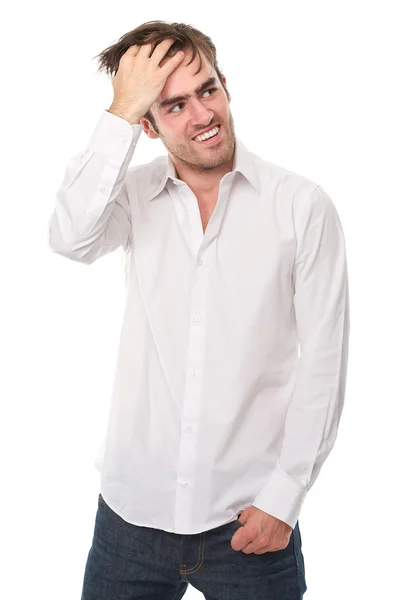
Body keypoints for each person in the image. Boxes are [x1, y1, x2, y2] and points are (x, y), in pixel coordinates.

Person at [48, 20, 350, 600]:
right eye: (173, 105)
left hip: (250, 524)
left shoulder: (301, 207)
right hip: (130, 521)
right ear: (149, 125)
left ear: (226, 86)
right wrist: (118, 115)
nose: (201, 116)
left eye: (207, 90)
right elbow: (69, 237)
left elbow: (324, 364)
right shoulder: (132, 196)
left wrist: (284, 499)